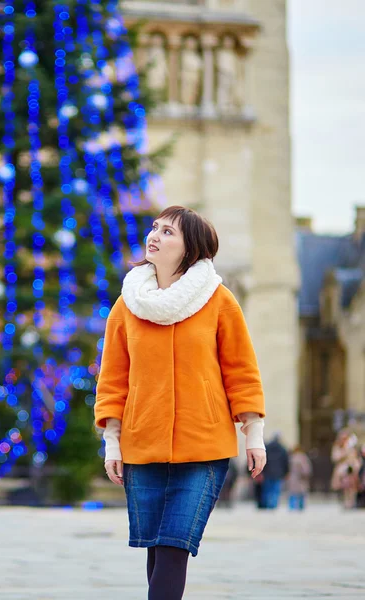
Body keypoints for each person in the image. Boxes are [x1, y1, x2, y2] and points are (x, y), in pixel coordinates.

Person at [94, 206, 267, 600]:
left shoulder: (220, 301)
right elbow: (113, 379)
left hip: (204, 447)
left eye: (168, 232)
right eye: (154, 228)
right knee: (157, 546)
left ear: (191, 249)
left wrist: (253, 434)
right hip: (142, 445)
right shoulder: (127, 305)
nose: (154, 235)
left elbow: (241, 371)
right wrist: (112, 441)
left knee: (175, 544)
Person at [331, 430, 362, 510]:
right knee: (344, 487)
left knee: (352, 487)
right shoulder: (338, 447)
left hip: (351, 470)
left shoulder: (351, 447)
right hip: (342, 471)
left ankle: (352, 502)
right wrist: (345, 451)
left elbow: (355, 458)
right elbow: (335, 457)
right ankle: (345, 502)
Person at [260, 432, 289, 509]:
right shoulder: (283, 449)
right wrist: (286, 472)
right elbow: (286, 462)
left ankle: (266, 504)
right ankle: (273, 504)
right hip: (278, 473)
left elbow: (263, 460)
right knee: (276, 490)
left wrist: (261, 471)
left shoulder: (267, 447)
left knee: (267, 489)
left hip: (267, 472)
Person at [287, 445, 312, 511]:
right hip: (301, 478)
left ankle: (292, 506)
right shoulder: (303, 457)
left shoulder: (292, 457)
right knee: (302, 492)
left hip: (293, 477)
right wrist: (306, 474)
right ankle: (301, 506)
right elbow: (306, 469)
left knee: (293, 492)